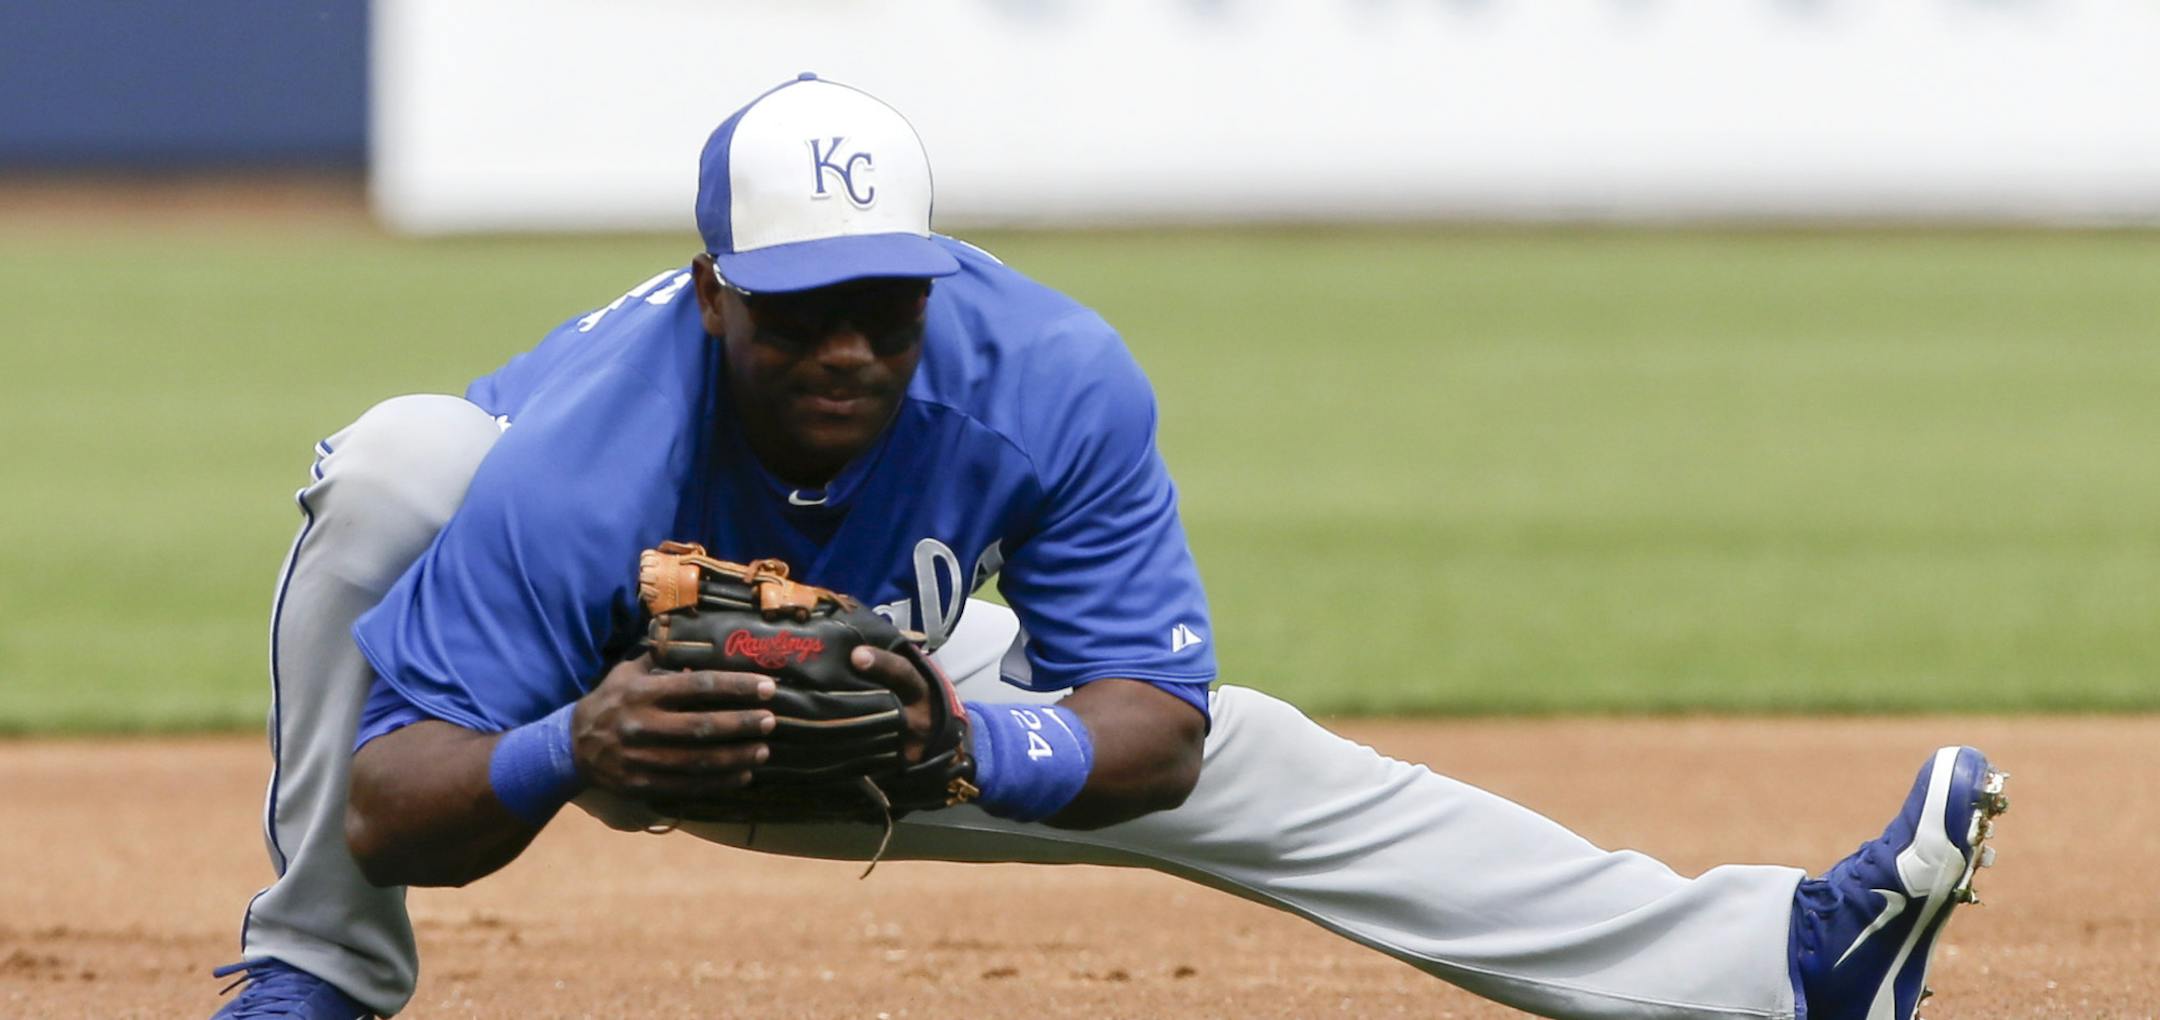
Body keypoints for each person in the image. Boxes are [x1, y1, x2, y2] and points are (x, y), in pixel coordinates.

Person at [210, 74, 2008, 1020]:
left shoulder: (1051, 378)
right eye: (800, 310)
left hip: (876, 678)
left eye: (885, 305)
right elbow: (394, 805)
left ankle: (1779, 971)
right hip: (597, 682)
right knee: (395, 465)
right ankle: (311, 989)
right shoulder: (579, 461)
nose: (848, 346)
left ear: (937, 282)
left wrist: (978, 740)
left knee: (1270, 760)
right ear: (712, 297)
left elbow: (1153, 716)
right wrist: (567, 747)